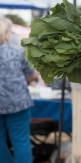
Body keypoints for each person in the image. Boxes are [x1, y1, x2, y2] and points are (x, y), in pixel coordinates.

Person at [0, 17, 39, 163]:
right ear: (7, 33)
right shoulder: (18, 52)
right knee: (21, 141)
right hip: (18, 103)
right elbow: (31, 75)